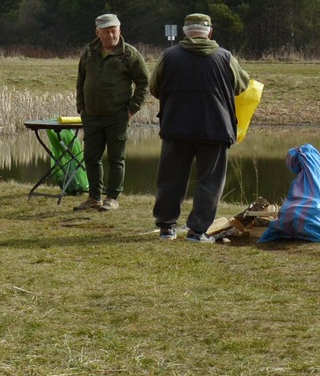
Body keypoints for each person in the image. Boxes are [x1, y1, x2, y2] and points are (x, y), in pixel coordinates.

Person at [148, 12, 251, 240]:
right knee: (210, 183)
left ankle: (166, 227)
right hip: (215, 129)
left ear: (185, 32)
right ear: (210, 32)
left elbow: (154, 87)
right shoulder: (225, 57)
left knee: (171, 179)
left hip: (176, 127)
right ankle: (197, 230)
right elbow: (242, 86)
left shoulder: (169, 56)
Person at [75, 13, 149, 212]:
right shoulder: (89, 52)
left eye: (113, 31)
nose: (110, 35)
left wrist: (131, 110)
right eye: (106, 32)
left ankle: (112, 198)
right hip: (91, 116)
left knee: (116, 158)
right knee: (91, 157)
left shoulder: (129, 54)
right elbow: (80, 81)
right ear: (97, 32)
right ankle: (94, 197)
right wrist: (81, 108)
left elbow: (143, 84)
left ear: (119, 30)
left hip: (117, 116)